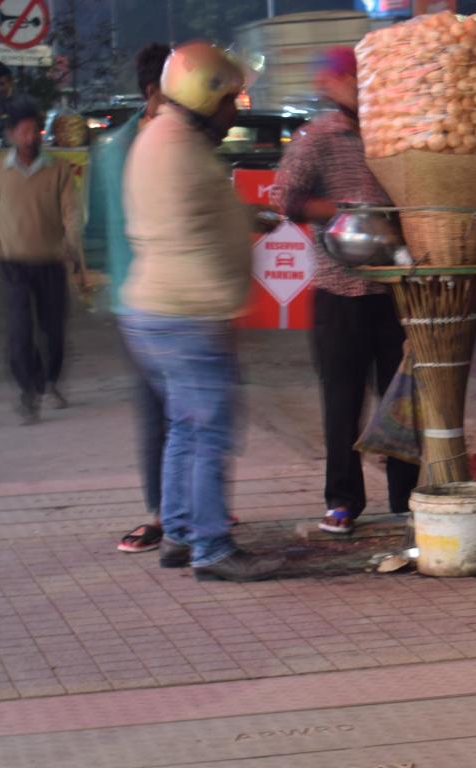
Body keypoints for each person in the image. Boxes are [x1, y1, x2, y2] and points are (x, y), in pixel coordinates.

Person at [120, 41, 283, 582]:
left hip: (153, 308)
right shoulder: (183, 151)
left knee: (184, 429)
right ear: (205, 99)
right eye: (231, 99)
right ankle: (212, 548)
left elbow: (201, 217)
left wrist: (245, 217)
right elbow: (197, 241)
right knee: (209, 429)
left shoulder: (161, 137)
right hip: (186, 313)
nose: (237, 110)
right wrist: (229, 309)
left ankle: (181, 534)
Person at [270, 47, 419, 535]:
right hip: (338, 290)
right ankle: (342, 501)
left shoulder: (393, 134)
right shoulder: (318, 139)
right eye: (351, 81)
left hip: (393, 290)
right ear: (333, 86)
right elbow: (284, 198)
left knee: (401, 399)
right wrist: (339, 211)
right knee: (341, 403)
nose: (361, 89)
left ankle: (406, 497)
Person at [94, 43, 174, 554]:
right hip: (148, 298)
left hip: (153, 296)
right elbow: (101, 228)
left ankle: (183, 505)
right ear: (152, 92)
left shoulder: (168, 140)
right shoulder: (127, 151)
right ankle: (164, 512)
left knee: (184, 408)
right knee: (161, 406)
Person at [0, 99, 82, 425]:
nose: (30, 137)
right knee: (20, 332)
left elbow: (71, 211)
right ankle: (28, 391)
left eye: (35, 130)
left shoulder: (57, 168)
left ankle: (51, 380)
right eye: (24, 132)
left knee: (53, 330)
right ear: (10, 134)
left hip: (50, 259)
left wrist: (71, 242)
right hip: (12, 261)